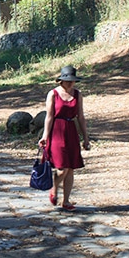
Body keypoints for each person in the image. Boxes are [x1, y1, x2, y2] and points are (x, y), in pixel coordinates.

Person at [38, 65, 90, 211]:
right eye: (68, 81)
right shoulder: (53, 94)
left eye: (73, 81)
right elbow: (49, 117)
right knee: (62, 167)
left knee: (71, 167)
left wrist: (85, 137)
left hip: (71, 131)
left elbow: (81, 116)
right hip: (57, 131)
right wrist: (45, 136)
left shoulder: (78, 94)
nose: (70, 83)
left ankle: (66, 201)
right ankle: (54, 189)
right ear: (61, 80)